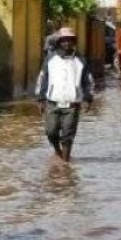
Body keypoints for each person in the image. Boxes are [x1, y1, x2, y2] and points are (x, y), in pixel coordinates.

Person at [35, 27, 96, 162]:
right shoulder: (50, 59)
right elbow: (43, 78)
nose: (67, 43)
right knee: (51, 132)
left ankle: (65, 164)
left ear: (74, 42)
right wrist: (40, 98)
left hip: (72, 105)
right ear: (59, 42)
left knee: (68, 135)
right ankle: (58, 151)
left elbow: (89, 81)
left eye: (70, 40)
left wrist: (88, 98)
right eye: (64, 41)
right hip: (52, 103)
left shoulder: (80, 60)